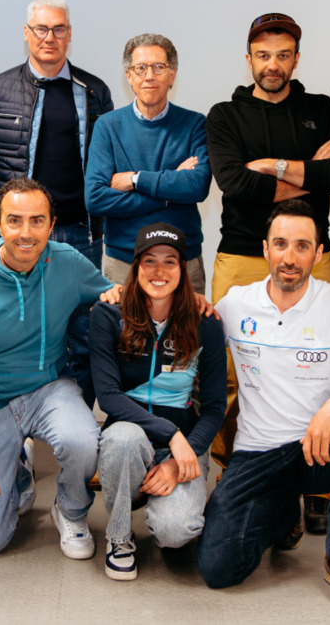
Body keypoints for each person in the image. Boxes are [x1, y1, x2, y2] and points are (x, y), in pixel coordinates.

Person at [196, 201, 330, 607]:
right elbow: (185, 332)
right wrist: (119, 293)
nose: (290, 258)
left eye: (302, 246)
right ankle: (283, 515)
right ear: (265, 249)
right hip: (258, 454)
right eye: (281, 244)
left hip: (320, 450)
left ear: (318, 253)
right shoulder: (236, 303)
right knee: (218, 568)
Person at [205, 12, 330, 496]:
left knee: (318, 369)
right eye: (264, 56)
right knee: (227, 372)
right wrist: (306, 173)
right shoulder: (225, 115)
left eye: (283, 55)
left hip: (315, 256)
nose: (273, 65)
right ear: (249, 59)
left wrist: (271, 166)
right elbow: (235, 184)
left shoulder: (320, 108)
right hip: (242, 256)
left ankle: (316, 484)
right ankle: (233, 471)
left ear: (296, 58)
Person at [0, 179, 118, 559]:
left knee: (84, 440)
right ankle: (19, 472)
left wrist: (187, 301)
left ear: (51, 225)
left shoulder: (66, 261)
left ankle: (70, 511)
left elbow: (112, 292)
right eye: (15, 220)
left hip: (48, 389)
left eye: (37, 221)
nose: (26, 233)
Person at [0, 0, 115, 405]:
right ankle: (14, 450)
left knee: (85, 336)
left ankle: (74, 436)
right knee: (11, 335)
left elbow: (108, 161)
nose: (49, 37)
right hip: (18, 237)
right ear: (27, 33)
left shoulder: (94, 91)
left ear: (69, 34)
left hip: (80, 234)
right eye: (41, 28)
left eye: (59, 29)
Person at [88, 223, 225, 580]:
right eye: (149, 261)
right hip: (131, 435)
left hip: (181, 445)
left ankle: (166, 509)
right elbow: (109, 396)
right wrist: (173, 435)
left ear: (183, 269)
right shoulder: (108, 315)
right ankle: (119, 538)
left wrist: (184, 455)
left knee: (177, 533)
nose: (159, 271)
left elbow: (213, 408)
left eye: (169, 262)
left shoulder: (204, 321)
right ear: (135, 268)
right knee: (123, 439)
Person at [86, 33, 210, 293]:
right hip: (123, 262)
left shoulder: (195, 124)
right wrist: (167, 195)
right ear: (129, 76)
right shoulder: (107, 126)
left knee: (188, 334)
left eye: (158, 67)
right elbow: (96, 199)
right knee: (121, 334)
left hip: (183, 260)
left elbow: (196, 187)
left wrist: (135, 179)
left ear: (172, 75)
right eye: (140, 68)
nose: (149, 76)